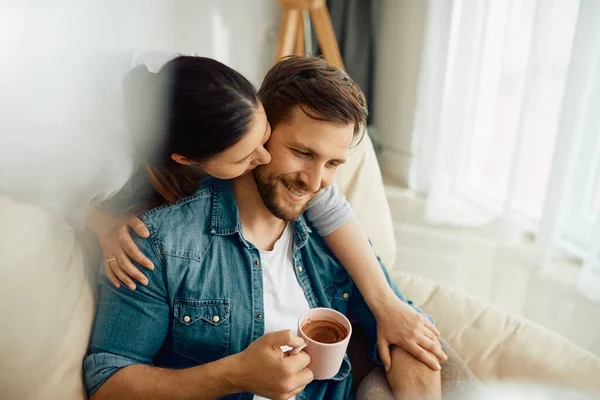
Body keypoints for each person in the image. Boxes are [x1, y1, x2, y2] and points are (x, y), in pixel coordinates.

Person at [84, 56, 475, 399]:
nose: (315, 181)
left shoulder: (332, 236)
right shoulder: (158, 243)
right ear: (263, 128)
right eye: (302, 153)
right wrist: (233, 375)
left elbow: (405, 331)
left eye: (333, 164)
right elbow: (108, 383)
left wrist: (390, 309)